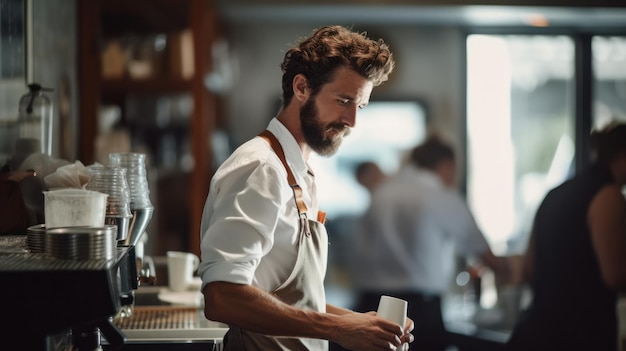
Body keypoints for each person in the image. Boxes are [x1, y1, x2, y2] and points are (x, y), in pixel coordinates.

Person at [198, 25, 413, 351]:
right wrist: (338, 329)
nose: (352, 120)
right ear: (301, 87)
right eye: (344, 100)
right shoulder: (262, 168)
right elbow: (223, 296)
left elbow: (286, 299)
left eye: (361, 106)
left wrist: (361, 323)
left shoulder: (298, 171)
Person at [349, 133, 511, 351]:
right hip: (418, 314)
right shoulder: (443, 198)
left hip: (367, 306)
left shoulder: (381, 194)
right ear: (446, 166)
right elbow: (484, 254)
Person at [506, 121, 626, 351]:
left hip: (536, 333)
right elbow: (615, 275)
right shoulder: (609, 195)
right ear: (622, 155)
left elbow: (528, 269)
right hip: (578, 336)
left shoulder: (556, 193)